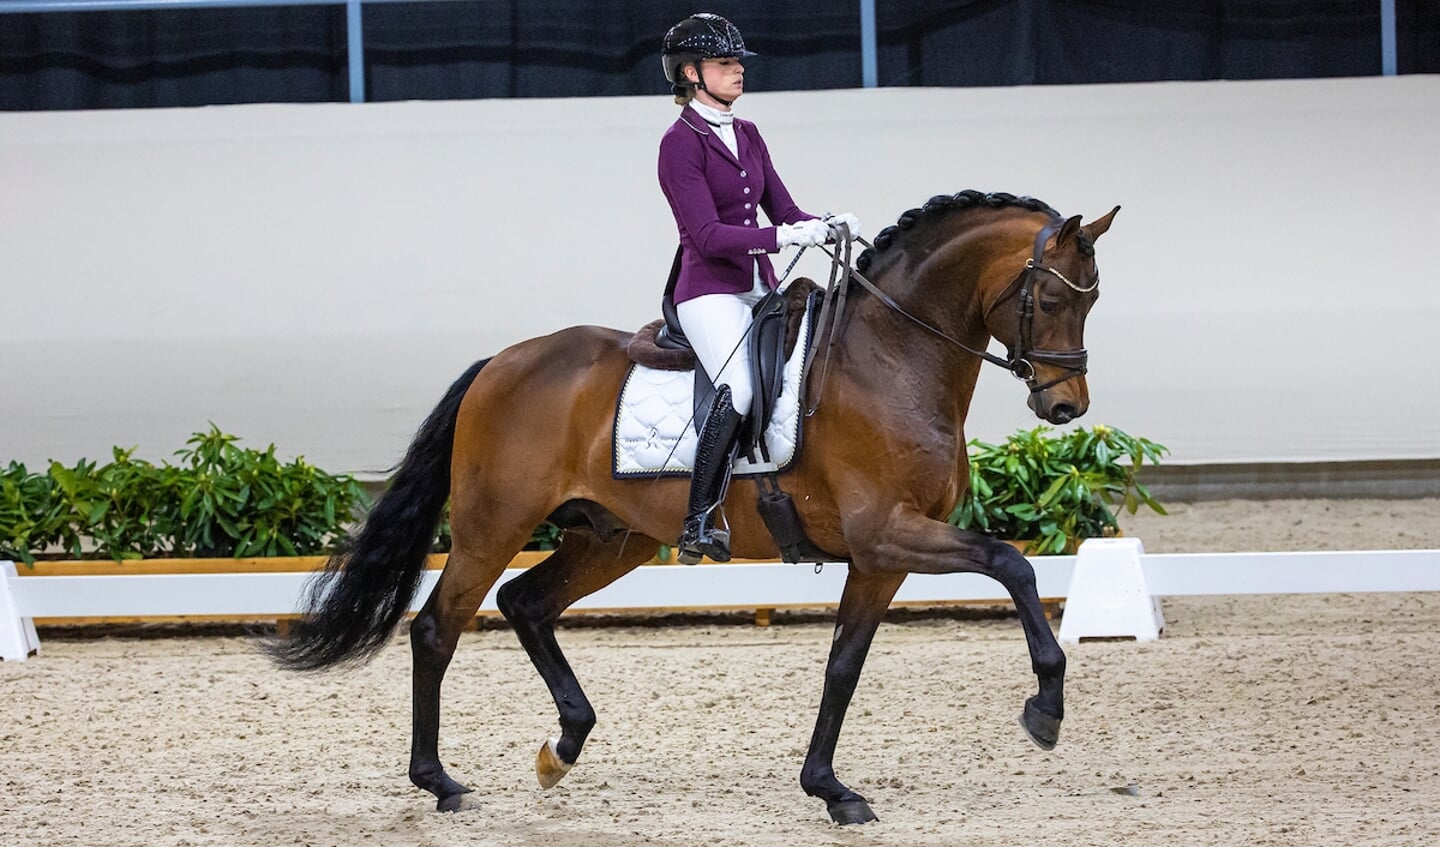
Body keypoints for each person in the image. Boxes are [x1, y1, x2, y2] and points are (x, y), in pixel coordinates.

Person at [657, 12, 862, 564]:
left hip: (760, 289)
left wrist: (824, 222)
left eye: (738, 63)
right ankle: (697, 519)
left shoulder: (747, 133)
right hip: (708, 292)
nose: (738, 71)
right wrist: (782, 236)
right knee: (741, 391)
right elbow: (706, 234)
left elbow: (785, 209)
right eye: (725, 64)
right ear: (691, 74)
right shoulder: (680, 144)